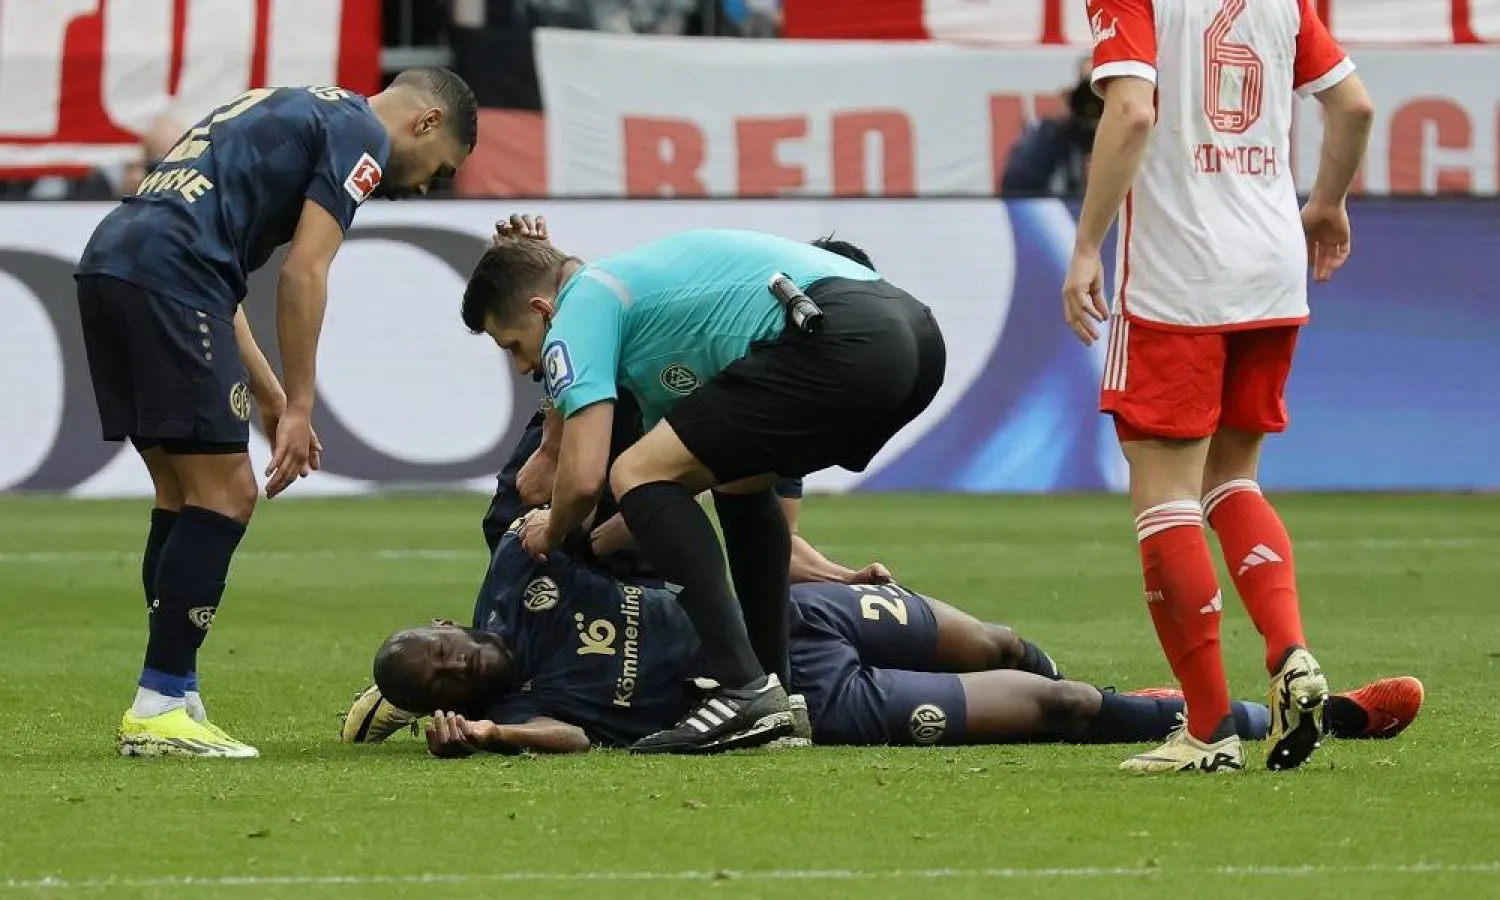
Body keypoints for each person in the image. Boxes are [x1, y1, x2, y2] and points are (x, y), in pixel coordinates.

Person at [75, 68, 478, 759]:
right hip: (174, 279)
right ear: (426, 122)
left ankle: (174, 693)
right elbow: (304, 271)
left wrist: (267, 395)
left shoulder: (299, 104)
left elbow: (216, 262)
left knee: (180, 494)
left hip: (113, 263)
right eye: (437, 172)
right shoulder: (362, 136)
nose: (418, 186)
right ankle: (161, 701)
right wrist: (300, 403)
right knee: (227, 493)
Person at [461, 226, 945, 754]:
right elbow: (676, 491)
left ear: (541, 309)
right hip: (914, 338)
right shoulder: (653, 319)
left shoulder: (582, 305)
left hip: (841, 334)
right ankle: (773, 691)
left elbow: (584, 478)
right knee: (735, 478)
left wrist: (550, 530)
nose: (524, 365)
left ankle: (744, 691)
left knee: (635, 471)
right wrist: (591, 540)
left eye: (512, 345)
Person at [343, 524, 1422, 757]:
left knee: (1004, 645)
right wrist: (479, 735)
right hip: (822, 709)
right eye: (437, 679)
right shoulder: (532, 710)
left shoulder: (523, 585)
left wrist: (827, 572)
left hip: (799, 619)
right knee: (1060, 714)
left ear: (451, 626)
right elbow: (575, 749)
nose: (455, 664)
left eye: (440, 653)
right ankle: (1311, 716)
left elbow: (568, 473)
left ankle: (1152, 699)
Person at [1061, 0, 1375, 773]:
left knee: (1165, 494)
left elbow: (1132, 112)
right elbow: (1354, 105)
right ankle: (1290, 651)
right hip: (1271, 270)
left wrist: (1086, 246)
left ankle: (1207, 729)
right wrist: (1327, 203)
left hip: (1177, 275)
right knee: (1232, 479)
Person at [999, 57, 1103, 198]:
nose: (1095, 98)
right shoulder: (1057, 133)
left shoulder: (1130, 134)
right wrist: (1057, 127)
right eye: (1088, 88)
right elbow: (1015, 184)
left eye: (1103, 88)